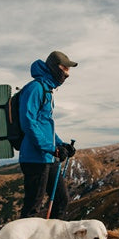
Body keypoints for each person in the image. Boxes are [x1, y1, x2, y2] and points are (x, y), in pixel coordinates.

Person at [19, 50, 78, 220]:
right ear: (54, 67)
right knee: (33, 207)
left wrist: (61, 145)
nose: (67, 73)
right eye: (64, 68)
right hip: (34, 158)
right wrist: (51, 148)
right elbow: (28, 123)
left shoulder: (47, 90)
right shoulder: (35, 88)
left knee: (61, 200)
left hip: (47, 157)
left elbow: (46, 126)